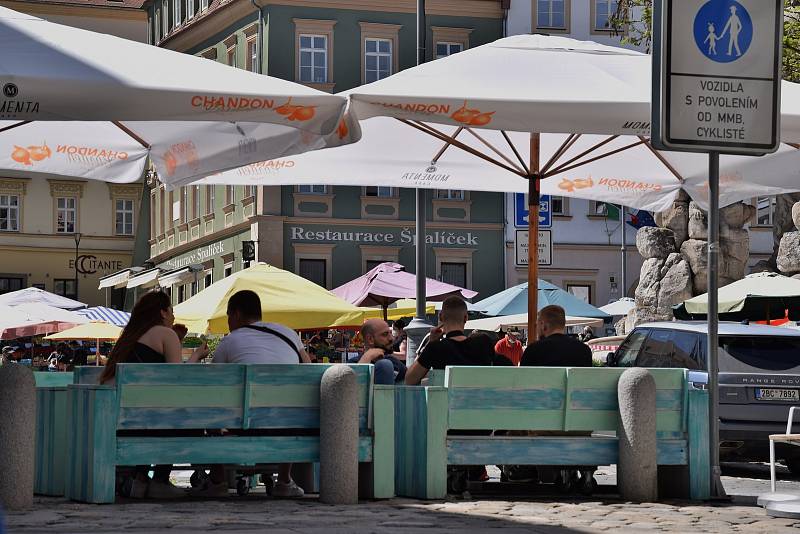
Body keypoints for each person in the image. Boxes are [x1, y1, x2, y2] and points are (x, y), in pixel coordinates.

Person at [195, 289, 308, 499]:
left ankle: (217, 479)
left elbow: (211, 384)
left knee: (211, 406)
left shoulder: (229, 341)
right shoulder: (290, 334)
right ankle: (284, 480)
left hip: (244, 424)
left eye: (228, 317)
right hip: (288, 423)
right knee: (289, 404)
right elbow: (308, 370)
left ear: (236, 314)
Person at [99, 290, 209, 499]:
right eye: (172, 310)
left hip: (121, 420)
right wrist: (196, 355)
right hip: (149, 422)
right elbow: (178, 381)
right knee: (187, 421)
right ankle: (159, 480)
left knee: (156, 412)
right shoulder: (165, 334)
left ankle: (139, 477)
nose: (174, 316)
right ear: (163, 312)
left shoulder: (129, 336)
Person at [405, 296, 510, 386]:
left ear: (441, 317)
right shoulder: (483, 343)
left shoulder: (436, 348)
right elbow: (509, 366)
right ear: (466, 318)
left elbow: (409, 379)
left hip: (447, 407)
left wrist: (430, 342)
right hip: (480, 405)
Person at [521, 305, 592, 368]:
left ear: (543, 325)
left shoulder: (533, 350)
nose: (536, 329)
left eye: (537, 325)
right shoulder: (584, 350)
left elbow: (522, 380)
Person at [354, 319, 406, 385]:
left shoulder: (394, 361)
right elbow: (350, 390)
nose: (391, 338)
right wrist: (366, 358)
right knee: (384, 364)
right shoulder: (353, 363)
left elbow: (410, 382)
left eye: (390, 333)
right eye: (385, 334)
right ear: (370, 339)